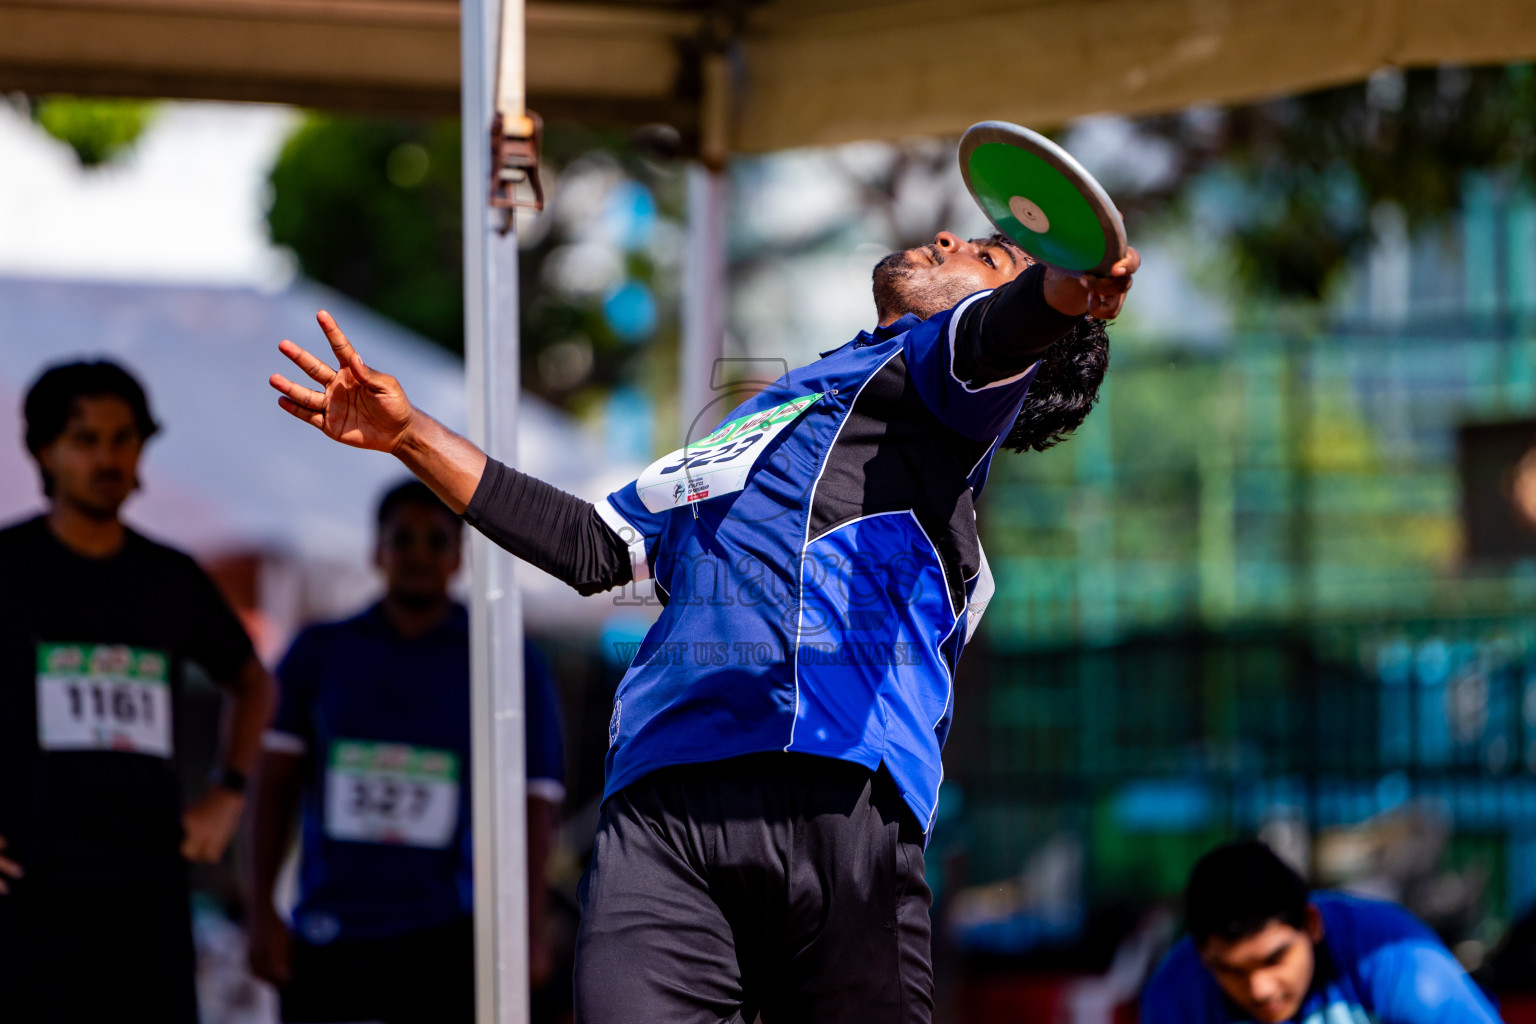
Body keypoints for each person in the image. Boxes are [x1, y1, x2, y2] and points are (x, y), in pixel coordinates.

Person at [266, 229, 1139, 1022]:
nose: (951, 236)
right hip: (661, 806)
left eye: (987, 258)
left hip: (837, 799)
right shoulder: (769, 413)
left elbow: (1003, 331)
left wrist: (1065, 291)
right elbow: (589, 546)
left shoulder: (948, 383)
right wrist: (408, 433)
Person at [0, 360, 278, 1024]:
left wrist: (229, 792)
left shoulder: (171, 578)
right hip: (26, 898)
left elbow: (253, 679)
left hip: (146, 891)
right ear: (43, 449)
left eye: (124, 439)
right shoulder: (6, 569)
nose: (108, 458)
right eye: (85, 439)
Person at [243, 480, 566, 1024]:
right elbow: (270, 785)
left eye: (435, 541)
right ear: (377, 551)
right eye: (403, 539)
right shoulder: (321, 651)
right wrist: (260, 916)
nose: (418, 554)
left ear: (458, 558)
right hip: (331, 926)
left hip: (450, 935)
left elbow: (535, 802)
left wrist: (526, 930)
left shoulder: (505, 660)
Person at [1140, 840, 1501, 1024]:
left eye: (1275, 958)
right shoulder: (1174, 996)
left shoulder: (1399, 962)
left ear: (1311, 924)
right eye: (1233, 970)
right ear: (1204, 956)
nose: (1260, 988)